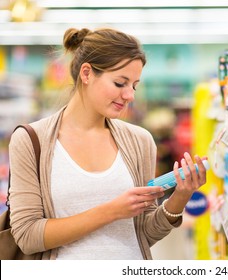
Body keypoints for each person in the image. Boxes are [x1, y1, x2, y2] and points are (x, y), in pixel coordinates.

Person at [8, 27, 208, 260]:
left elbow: (143, 234)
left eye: (134, 85)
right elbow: (27, 235)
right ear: (86, 73)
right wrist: (111, 211)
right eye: (120, 83)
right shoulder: (31, 141)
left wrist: (181, 196)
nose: (130, 96)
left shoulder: (139, 141)